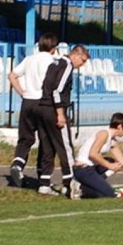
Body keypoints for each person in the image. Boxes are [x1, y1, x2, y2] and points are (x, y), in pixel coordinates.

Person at [34, 44, 89, 196]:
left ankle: (44, 183)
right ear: (76, 55)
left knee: (47, 146)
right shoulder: (66, 65)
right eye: (83, 61)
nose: (82, 65)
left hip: (42, 108)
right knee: (65, 146)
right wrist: (60, 113)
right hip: (53, 109)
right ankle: (71, 182)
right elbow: (57, 90)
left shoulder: (54, 63)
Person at [7, 32, 58, 187]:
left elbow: (11, 75)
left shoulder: (29, 59)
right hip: (44, 102)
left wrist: (22, 92)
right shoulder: (54, 62)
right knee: (46, 139)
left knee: (26, 137)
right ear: (54, 48)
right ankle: (43, 176)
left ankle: (18, 163)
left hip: (28, 100)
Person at [69, 112, 123, 199]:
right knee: (109, 194)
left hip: (91, 168)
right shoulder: (104, 134)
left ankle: (87, 186)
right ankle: (80, 188)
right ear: (119, 127)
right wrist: (110, 166)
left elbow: (122, 161)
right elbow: (92, 154)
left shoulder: (112, 141)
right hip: (83, 169)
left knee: (112, 161)